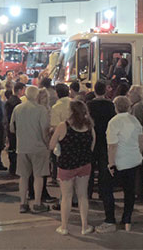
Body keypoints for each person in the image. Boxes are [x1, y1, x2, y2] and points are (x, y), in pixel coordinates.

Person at [96, 96, 143, 233]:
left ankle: (110, 220)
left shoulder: (114, 122)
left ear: (115, 107)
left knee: (107, 189)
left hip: (119, 161)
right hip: (133, 160)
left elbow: (112, 145)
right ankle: (127, 219)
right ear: (129, 107)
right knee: (129, 191)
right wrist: (138, 155)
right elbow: (141, 142)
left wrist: (111, 163)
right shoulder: (135, 120)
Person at [49, 100, 96, 236]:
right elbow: (92, 146)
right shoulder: (89, 126)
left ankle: (64, 227)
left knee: (66, 196)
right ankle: (85, 226)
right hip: (84, 164)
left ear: (71, 112)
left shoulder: (63, 126)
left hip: (66, 165)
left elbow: (51, 145)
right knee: (82, 196)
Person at [10, 86, 51, 213]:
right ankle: (37, 203)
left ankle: (23, 203)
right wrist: (48, 145)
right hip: (38, 147)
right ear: (37, 96)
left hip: (22, 147)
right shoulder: (41, 110)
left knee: (23, 177)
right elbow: (45, 131)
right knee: (38, 176)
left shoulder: (17, 108)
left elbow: (12, 128)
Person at [86, 82, 116, 201]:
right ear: (105, 91)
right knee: (104, 168)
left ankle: (88, 192)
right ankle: (103, 192)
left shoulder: (89, 104)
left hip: (92, 138)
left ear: (94, 91)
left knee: (90, 167)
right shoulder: (110, 105)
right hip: (105, 138)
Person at [127, 85, 143, 202]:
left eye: (130, 93)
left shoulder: (137, 107)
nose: (129, 96)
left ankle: (139, 192)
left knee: (138, 168)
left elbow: (135, 125)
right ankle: (142, 192)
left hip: (138, 139)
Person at [50, 83, 71, 186]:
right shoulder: (74, 104)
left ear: (57, 93)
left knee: (58, 159)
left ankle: (56, 177)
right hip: (76, 136)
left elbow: (55, 126)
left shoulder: (56, 107)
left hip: (62, 137)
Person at [4, 82, 25, 177]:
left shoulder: (10, 100)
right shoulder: (16, 102)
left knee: (12, 147)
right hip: (15, 128)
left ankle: (13, 168)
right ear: (20, 90)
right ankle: (14, 168)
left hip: (10, 127)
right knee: (15, 148)